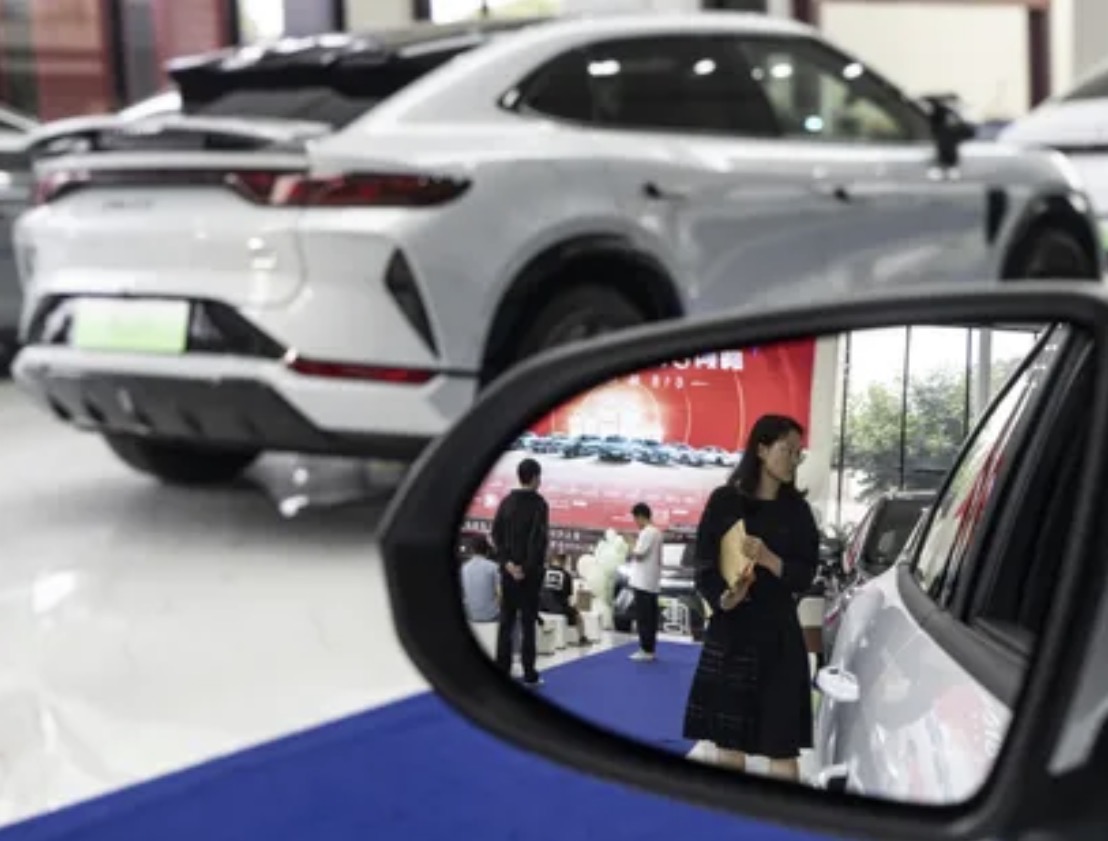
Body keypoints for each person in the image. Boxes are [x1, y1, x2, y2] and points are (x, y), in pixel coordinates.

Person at [682, 414, 820, 781]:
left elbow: (806, 574)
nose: (793, 460)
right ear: (761, 449)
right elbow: (704, 566)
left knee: (782, 746)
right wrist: (727, 598)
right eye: (787, 450)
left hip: (779, 636)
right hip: (732, 632)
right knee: (729, 744)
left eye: (799, 453)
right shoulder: (724, 501)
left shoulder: (798, 511)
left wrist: (771, 560)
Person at [491, 457, 549, 688]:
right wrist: (525, 568)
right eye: (539, 477)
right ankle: (529, 673)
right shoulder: (539, 504)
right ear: (534, 478)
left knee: (506, 623)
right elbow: (538, 541)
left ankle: (502, 669)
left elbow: (496, 535)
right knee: (527, 625)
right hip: (529, 577)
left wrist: (507, 563)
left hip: (508, 574)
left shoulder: (506, 502)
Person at [627, 502, 664, 662]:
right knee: (650, 618)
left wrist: (630, 543)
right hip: (652, 581)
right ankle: (649, 648)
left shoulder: (647, 532)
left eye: (635, 519)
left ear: (641, 516)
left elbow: (639, 553)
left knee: (644, 618)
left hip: (643, 582)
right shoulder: (657, 533)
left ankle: (645, 649)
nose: (635, 522)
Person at [540, 552, 594, 645]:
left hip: (541, 607)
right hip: (558, 608)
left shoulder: (543, 572)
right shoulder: (566, 575)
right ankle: (582, 638)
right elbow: (568, 597)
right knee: (578, 615)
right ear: (563, 562)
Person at [461, 535, 500, 624]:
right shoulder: (493, 567)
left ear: (472, 550)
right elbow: (501, 593)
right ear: (487, 550)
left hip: (469, 615)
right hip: (491, 615)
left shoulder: (464, 568)